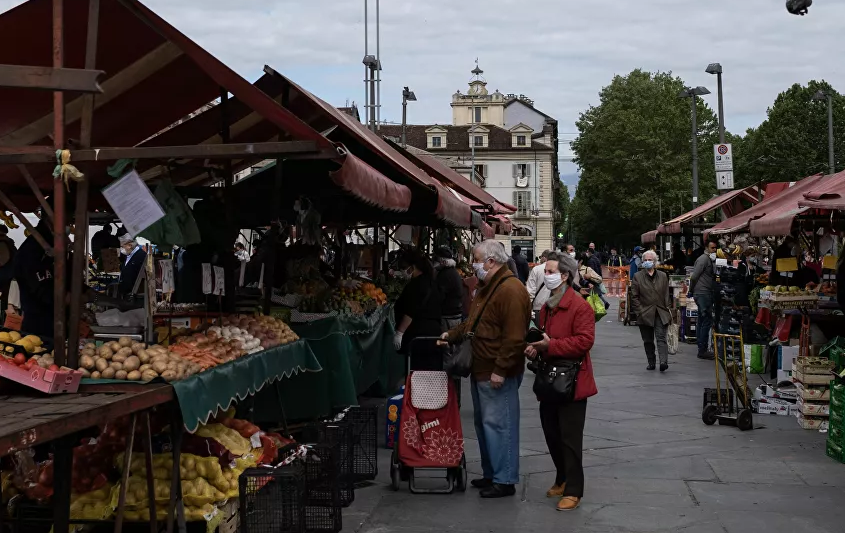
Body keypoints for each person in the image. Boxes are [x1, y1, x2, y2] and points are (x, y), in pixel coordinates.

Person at [442, 240, 530, 498]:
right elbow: (473, 324)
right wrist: (450, 335)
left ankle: (504, 479)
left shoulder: (511, 290)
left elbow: (514, 338)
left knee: (499, 423)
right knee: (485, 424)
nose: (473, 264)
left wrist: (500, 370)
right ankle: (492, 473)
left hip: (495, 369)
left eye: (476, 259)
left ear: (491, 261)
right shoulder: (487, 288)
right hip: (482, 367)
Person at [524, 253, 597, 511]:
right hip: (549, 378)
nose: (547, 274)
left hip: (572, 380)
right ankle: (562, 478)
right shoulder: (546, 307)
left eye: (551, 270)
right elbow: (544, 337)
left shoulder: (580, 306)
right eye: (546, 271)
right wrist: (537, 348)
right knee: (551, 433)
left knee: (570, 437)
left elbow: (584, 341)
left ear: (564, 275)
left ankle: (574, 489)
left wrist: (550, 345)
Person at [393, 249, 443, 354]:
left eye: (403, 268)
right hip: (433, 332)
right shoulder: (431, 281)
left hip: (418, 335)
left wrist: (399, 333)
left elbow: (410, 311)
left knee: (417, 367)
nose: (402, 271)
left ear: (412, 267)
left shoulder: (416, 285)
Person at [631, 250, 672, 371]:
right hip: (645, 312)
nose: (648, 262)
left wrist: (667, 308)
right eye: (645, 260)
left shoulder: (663, 276)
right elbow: (634, 296)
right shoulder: (637, 277)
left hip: (660, 311)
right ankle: (651, 362)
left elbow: (666, 294)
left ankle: (663, 361)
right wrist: (640, 311)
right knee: (648, 340)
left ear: (655, 262)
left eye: (650, 260)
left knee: (661, 337)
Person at [689, 239, 718, 360]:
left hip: (704, 292)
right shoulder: (703, 259)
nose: (714, 250)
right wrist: (691, 290)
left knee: (702, 320)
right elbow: (694, 276)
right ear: (706, 248)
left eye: (715, 248)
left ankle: (701, 346)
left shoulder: (709, 260)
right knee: (706, 320)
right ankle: (702, 349)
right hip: (702, 293)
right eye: (712, 248)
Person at [526, 250, 555, 319]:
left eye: (541, 257)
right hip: (554, 306)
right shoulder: (559, 268)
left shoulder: (536, 269)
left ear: (544, 258)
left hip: (538, 306)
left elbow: (530, 290)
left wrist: (529, 307)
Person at [0, 226, 16, 319]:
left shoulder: (2, 243)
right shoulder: (8, 242)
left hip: (6, 279)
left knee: (6, 306)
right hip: (9, 279)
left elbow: (3, 260)